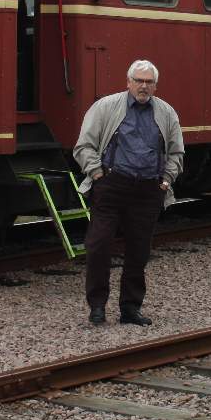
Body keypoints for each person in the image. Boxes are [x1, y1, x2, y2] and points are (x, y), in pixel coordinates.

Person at [74, 60, 184, 326]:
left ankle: (130, 309)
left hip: (148, 189)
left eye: (148, 82)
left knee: (139, 251)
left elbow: (176, 152)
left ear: (155, 86)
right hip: (112, 185)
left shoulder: (167, 113)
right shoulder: (106, 107)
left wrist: (166, 181)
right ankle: (97, 307)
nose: (143, 86)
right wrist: (97, 173)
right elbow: (83, 146)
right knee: (98, 246)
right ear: (128, 82)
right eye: (139, 80)